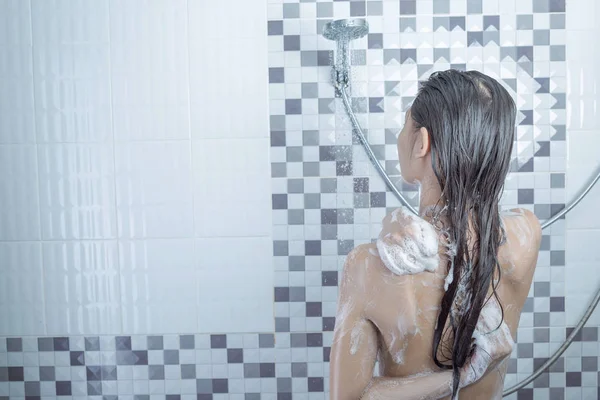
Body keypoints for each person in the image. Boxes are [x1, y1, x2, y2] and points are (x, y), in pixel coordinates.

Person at [329, 70, 542, 400]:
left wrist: (455, 378)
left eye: (405, 125)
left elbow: (349, 398)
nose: (400, 136)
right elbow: (472, 227)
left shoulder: (369, 266)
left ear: (421, 143)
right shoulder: (525, 237)